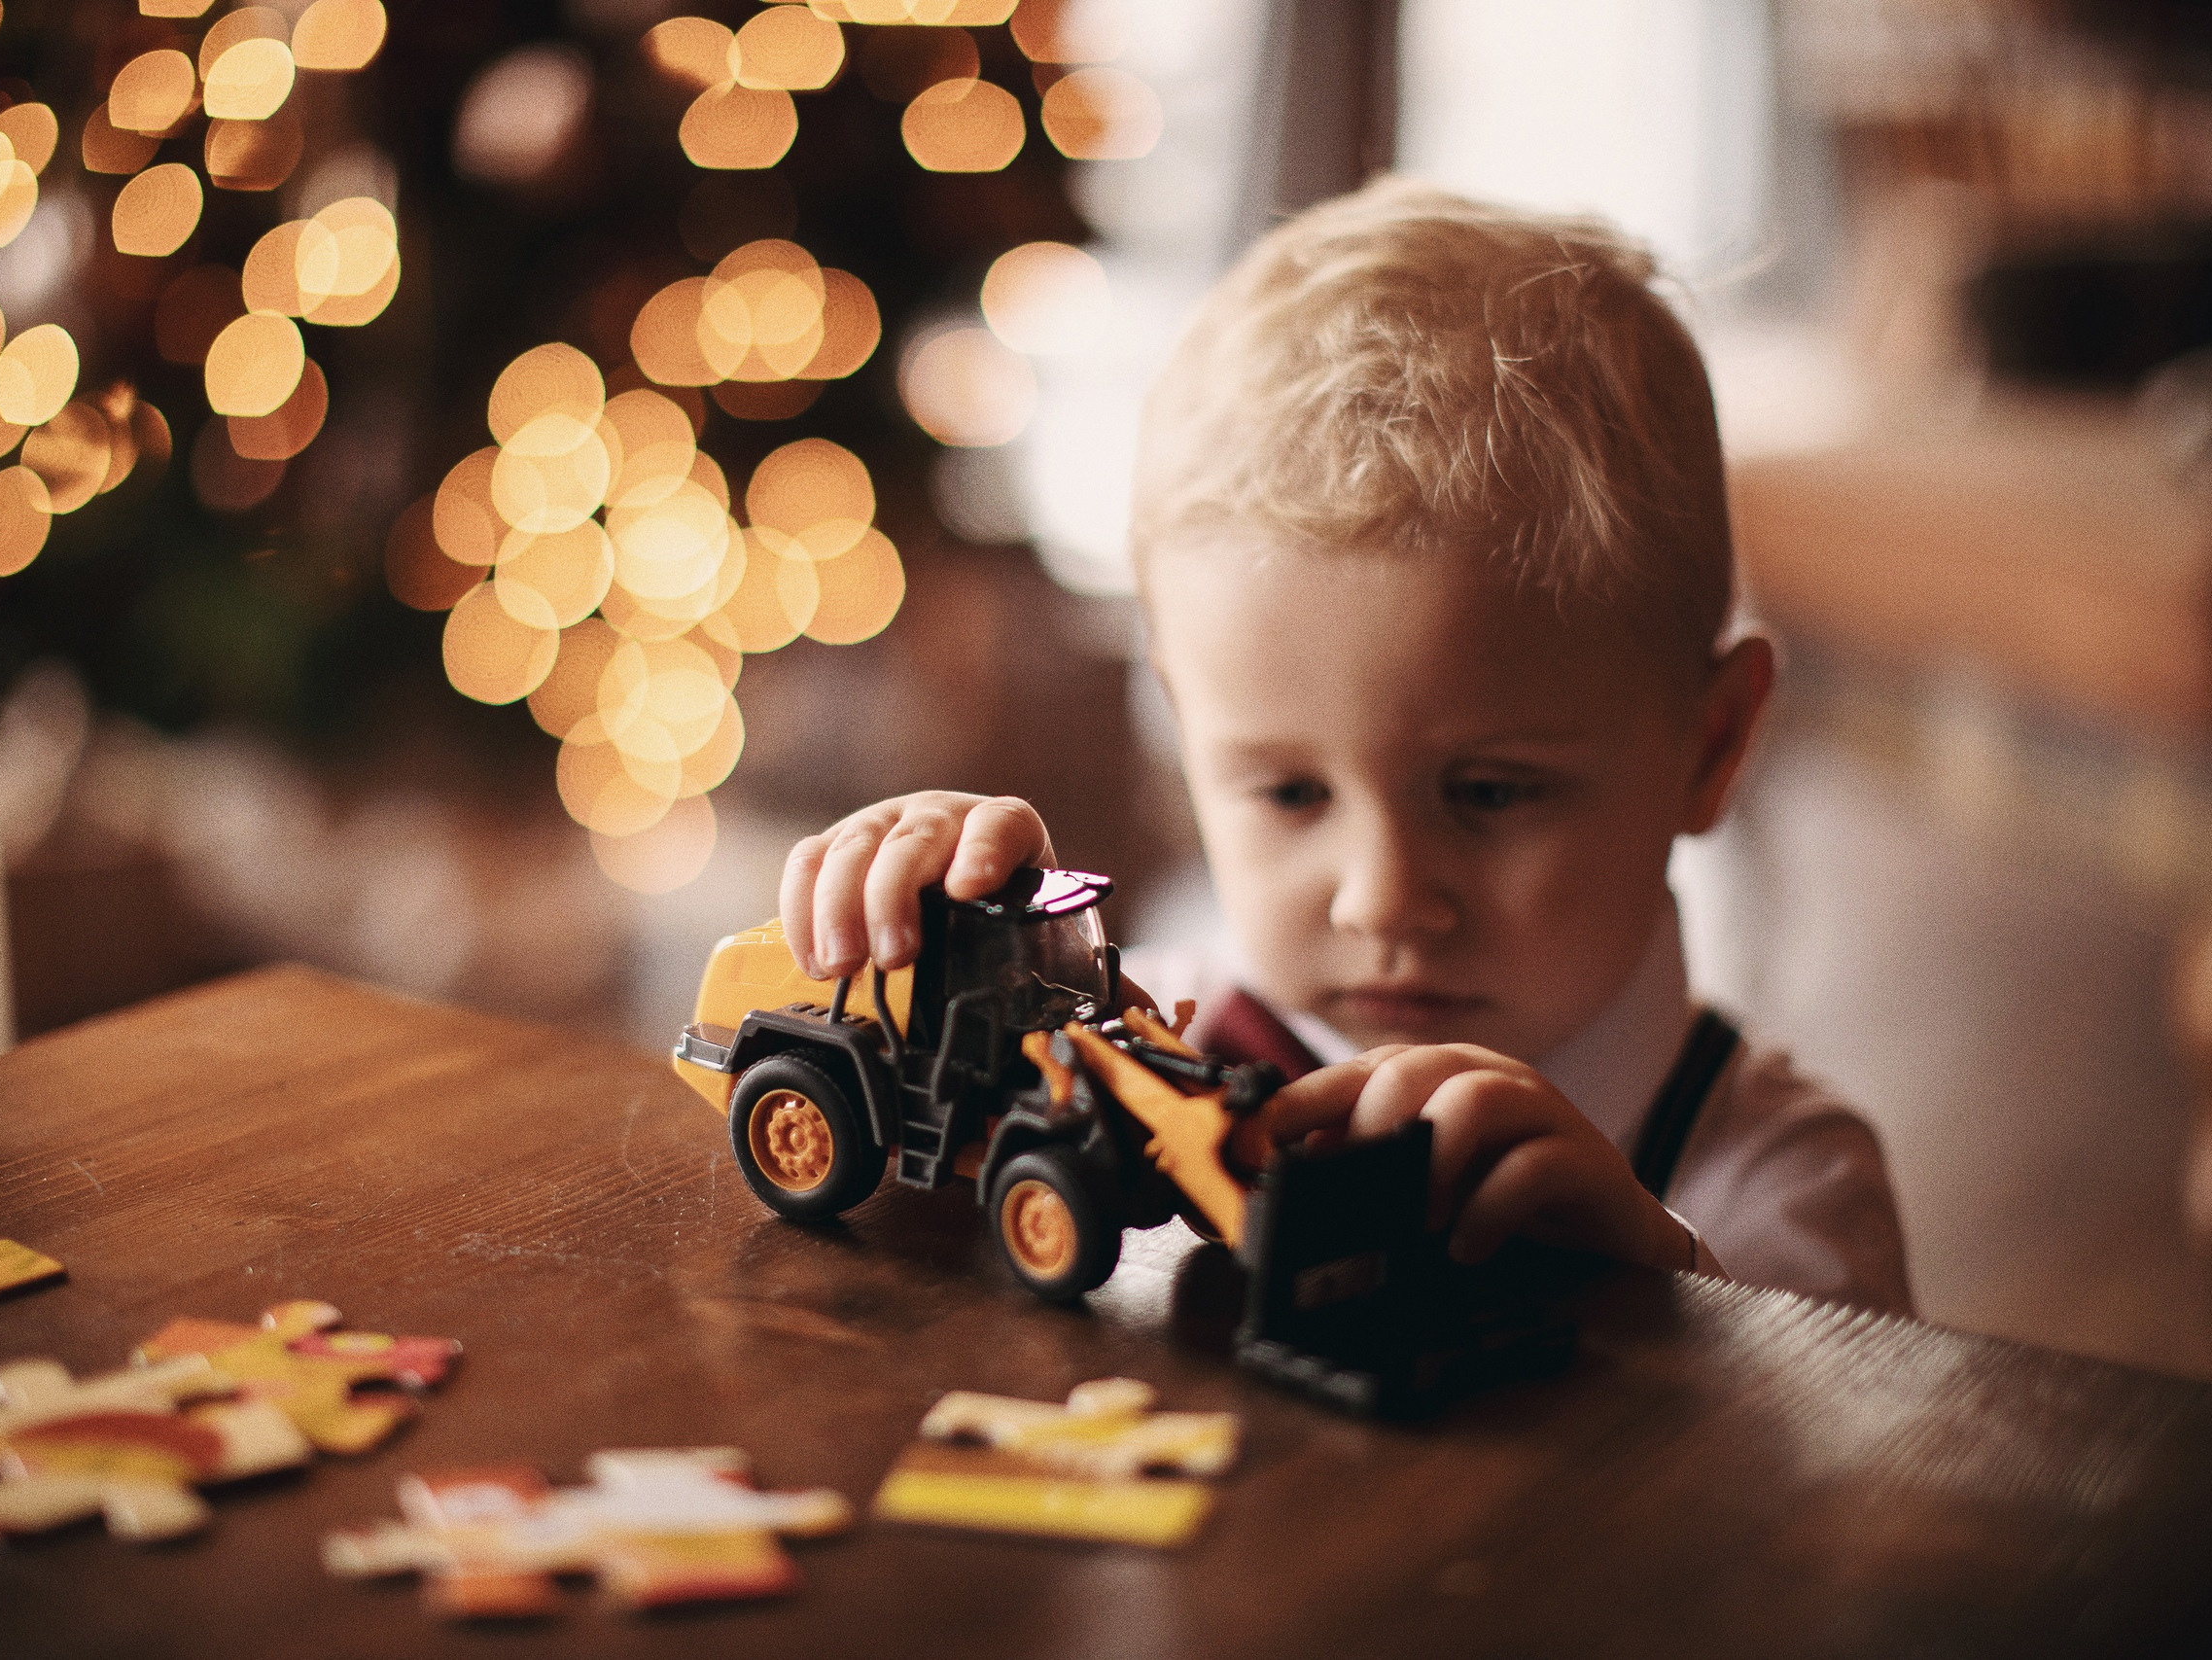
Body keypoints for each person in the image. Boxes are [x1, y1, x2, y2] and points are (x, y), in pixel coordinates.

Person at [778, 180, 1913, 1315]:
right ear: (1183, 732)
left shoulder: (1783, 1184)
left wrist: (1660, 1310)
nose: (1382, 901)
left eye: (1488, 791)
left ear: (1709, 746)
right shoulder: (1136, 1044)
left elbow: (1813, 1495)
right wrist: (924, 938)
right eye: (1287, 791)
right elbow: (907, 1292)